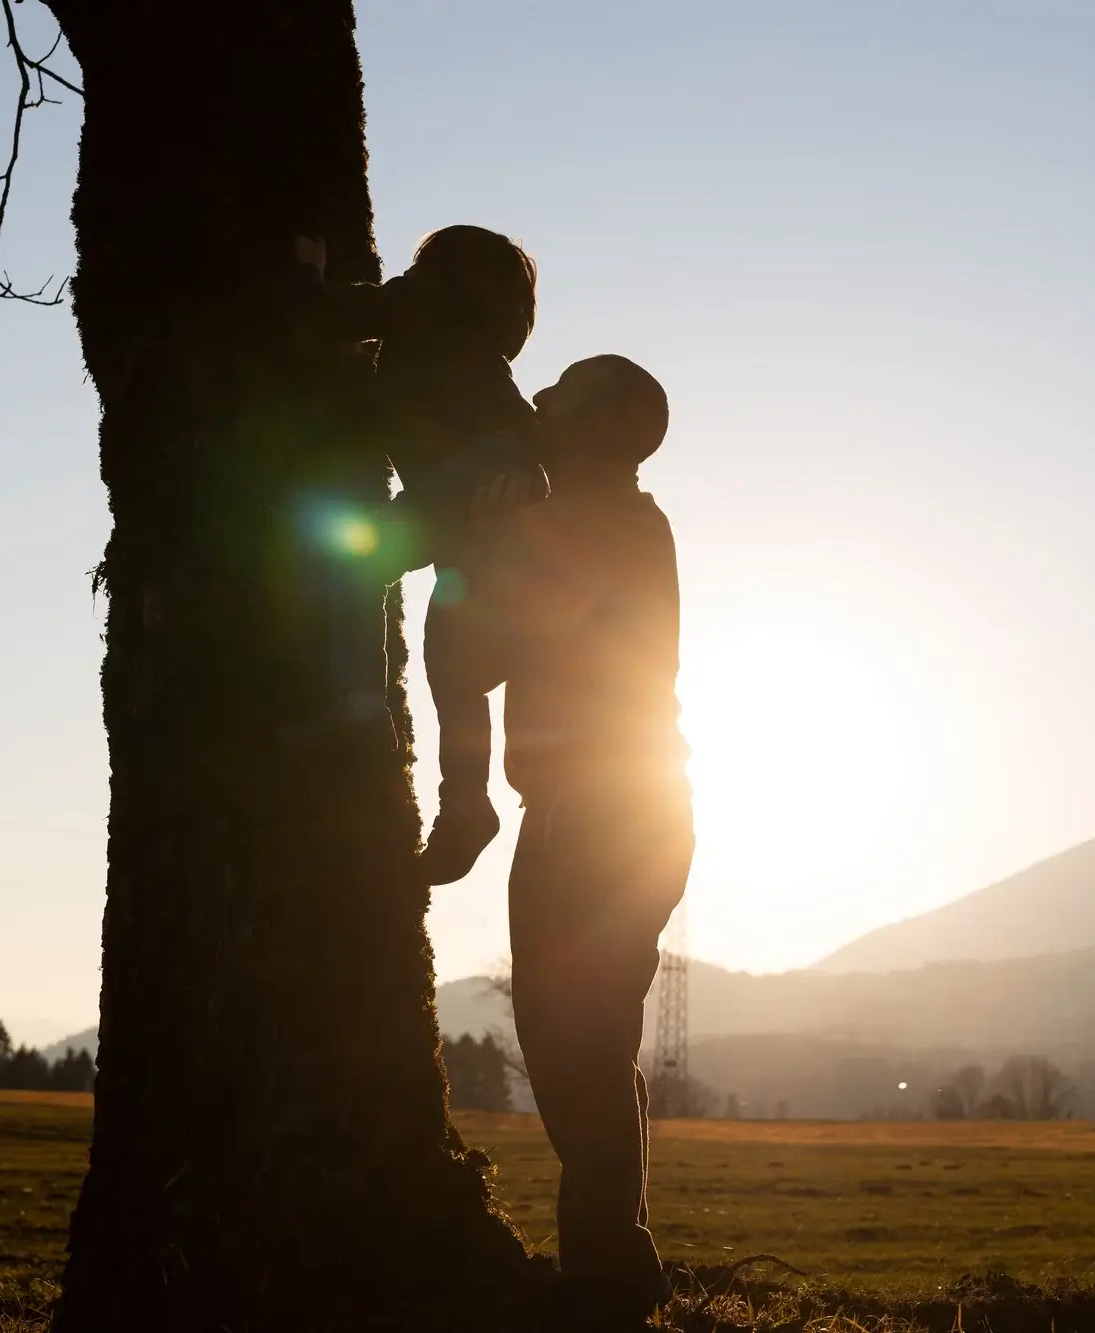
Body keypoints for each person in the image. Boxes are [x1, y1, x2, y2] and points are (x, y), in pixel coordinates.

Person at [483, 354, 694, 1325]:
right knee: (592, 1040)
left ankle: (605, 1275)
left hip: (592, 810)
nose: (537, 402)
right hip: (633, 804)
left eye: (557, 396)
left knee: (568, 1042)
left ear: (591, 428)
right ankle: (617, 1262)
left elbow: (488, 642)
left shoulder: (586, 520)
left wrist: (483, 525)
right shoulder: (618, 519)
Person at [292, 227, 546, 883]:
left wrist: (307, 270)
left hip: (457, 497)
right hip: (485, 522)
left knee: (352, 564)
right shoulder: (486, 353)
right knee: (453, 663)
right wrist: (530, 479)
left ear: (438, 270)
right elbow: (525, 435)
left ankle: (360, 710)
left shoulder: (417, 303)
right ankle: (463, 801)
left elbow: (323, 317)